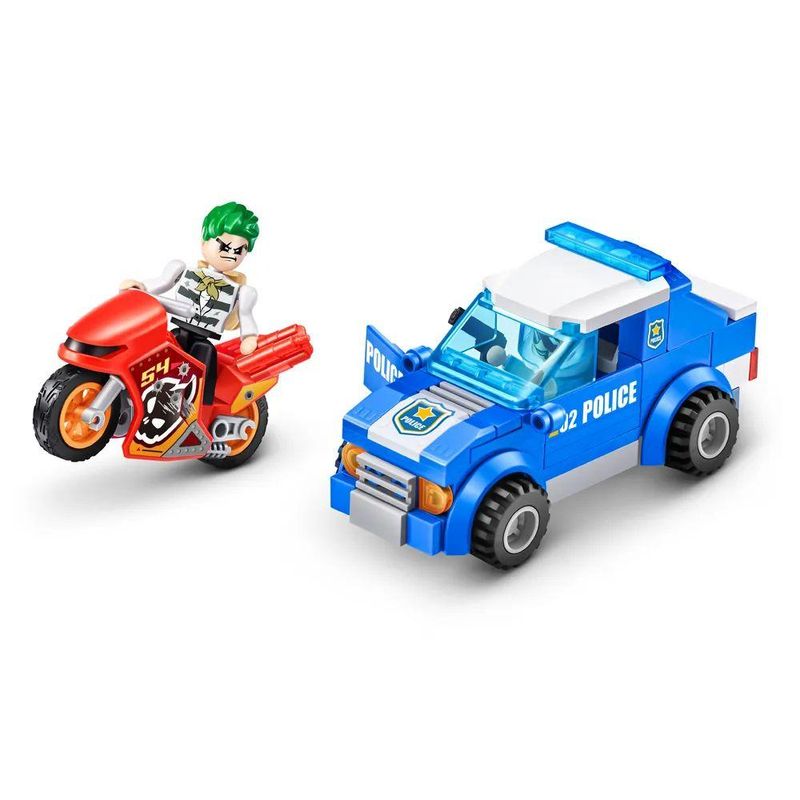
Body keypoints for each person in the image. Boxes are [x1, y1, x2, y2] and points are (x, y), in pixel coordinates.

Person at [120, 202, 260, 404]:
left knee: (198, 380)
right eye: (224, 246)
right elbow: (161, 283)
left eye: (239, 250)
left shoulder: (241, 290)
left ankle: (197, 411)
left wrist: (249, 337)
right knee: (155, 366)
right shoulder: (183, 270)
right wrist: (140, 287)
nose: (231, 254)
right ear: (204, 243)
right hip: (177, 335)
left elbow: (245, 316)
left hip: (203, 342)